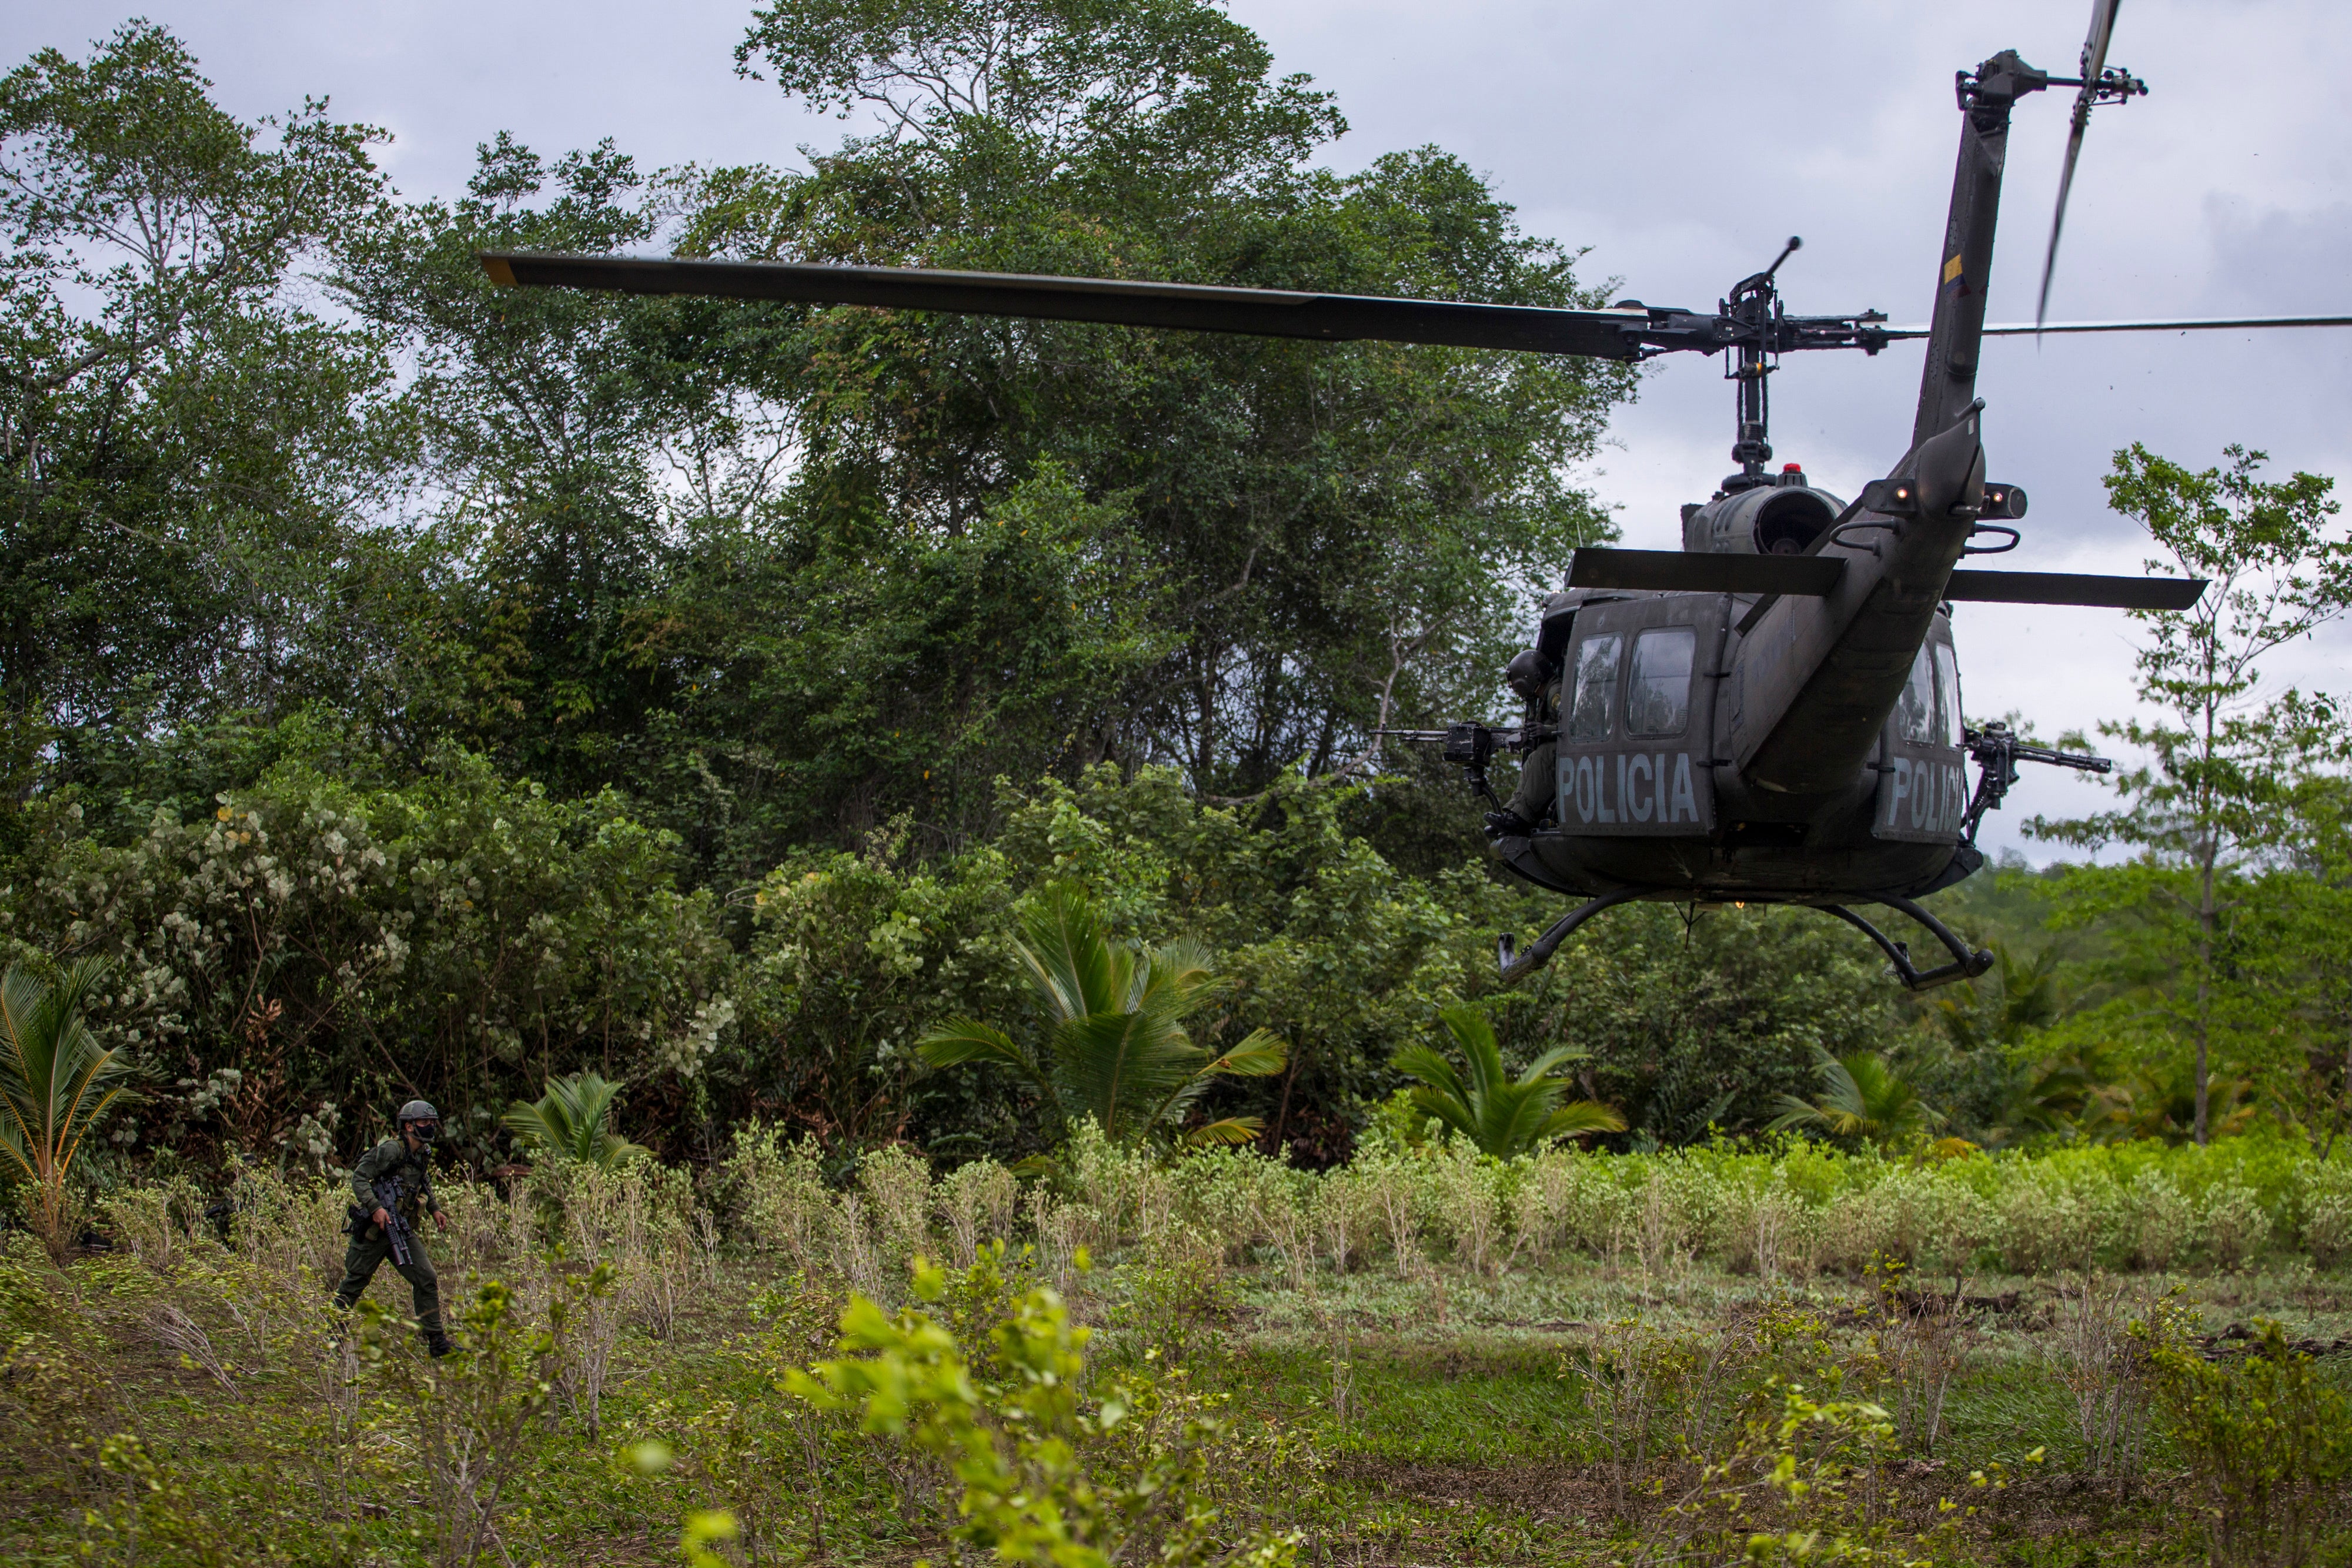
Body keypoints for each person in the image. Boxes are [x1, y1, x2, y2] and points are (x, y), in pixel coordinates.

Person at [333, 1099, 452, 1355]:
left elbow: (423, 1184)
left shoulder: (423, 1152)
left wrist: (435, 1209)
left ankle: (437, 1342)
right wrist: (375, 1207)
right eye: (424, 1122)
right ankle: (332, 1339)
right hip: (376, 1231)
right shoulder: (391, 1150)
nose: (430, 1127)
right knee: (354, 1283)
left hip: (401, 1230)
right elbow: (359, 1177)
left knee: (427, 1277)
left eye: (432, 1123)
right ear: (409, 1127)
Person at [1486, 649, 1560, 840]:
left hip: (1566, 752)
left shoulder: (1555, 693)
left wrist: (1547, 731)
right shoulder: (1545, 696)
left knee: (1543, 755)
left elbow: (1576, 723)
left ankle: (1520, 818)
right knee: (1534, 759)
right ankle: (1514, 814)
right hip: (1559, 752)